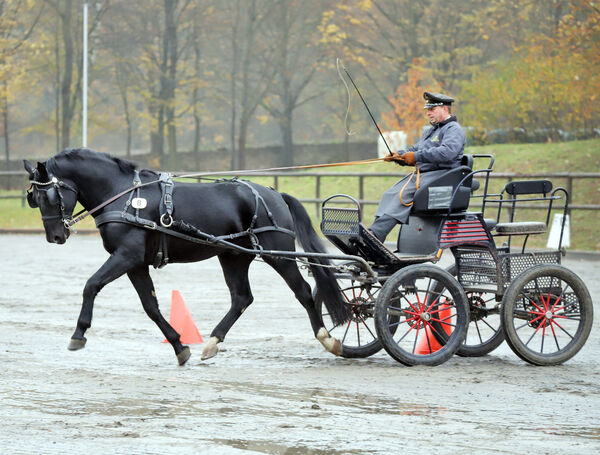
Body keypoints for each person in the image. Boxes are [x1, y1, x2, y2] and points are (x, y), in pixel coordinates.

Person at [369, 91, 466, 242]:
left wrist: (416, 157)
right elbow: (416, 149)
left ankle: (376, 235)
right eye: (427, 110)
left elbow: (447, 153)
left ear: (445, 109)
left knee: (402, 195)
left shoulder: (453, 129)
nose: (428, 113)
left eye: (432, 109)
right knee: (390, 193)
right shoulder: (431, 130)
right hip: (425, 175)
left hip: (441, 176)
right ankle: (373, 231)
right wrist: (399, 156)